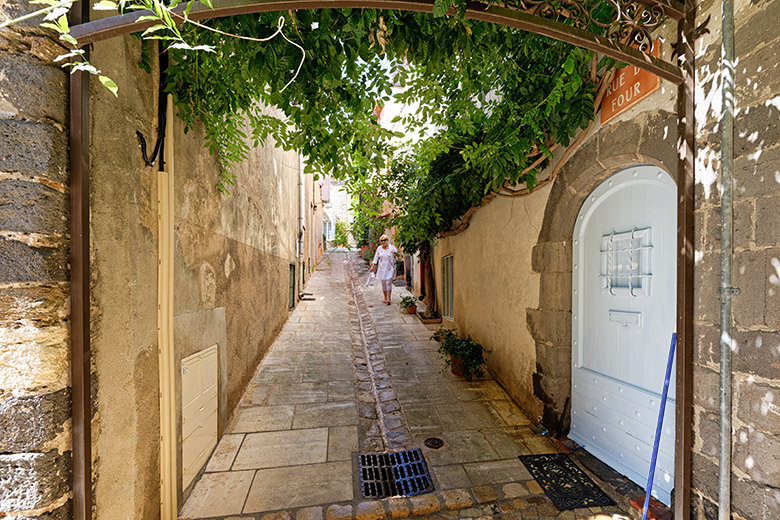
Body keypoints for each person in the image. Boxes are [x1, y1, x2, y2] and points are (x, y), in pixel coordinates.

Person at [370, 234, 399, 305]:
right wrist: (372, 266)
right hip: (382, 268)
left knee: (388, 282)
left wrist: (395, 253)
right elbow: (376, 258)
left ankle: (389, 298)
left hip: (390, 267)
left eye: (385, 240)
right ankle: (385, 297)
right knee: (383, 283)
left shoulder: (391, 247)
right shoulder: (379, 248)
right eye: (382, 240)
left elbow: (398, 254)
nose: (383, 242)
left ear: (387, 240)